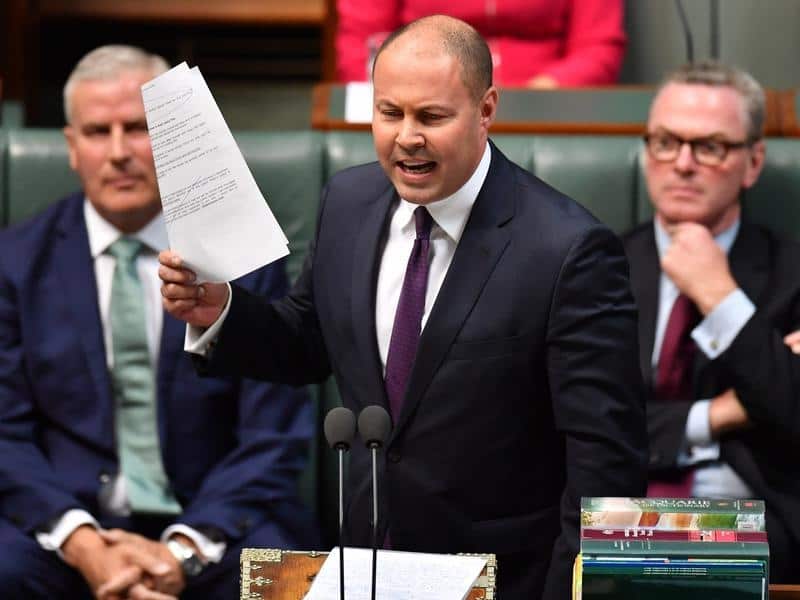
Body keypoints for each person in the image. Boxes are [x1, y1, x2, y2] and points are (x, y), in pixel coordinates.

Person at [160, 16, 647, 600]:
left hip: (503, 576)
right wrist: (221, 311)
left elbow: (605, 464)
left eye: (431, 117)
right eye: (389, 113)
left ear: (486, 109)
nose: (405, 137)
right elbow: (308, 340)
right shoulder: (348, 199)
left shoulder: (568, 249)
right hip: (367, 565)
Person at [0, 45, 317, 600]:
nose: (119, 152)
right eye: (98, 132)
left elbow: (274, 435)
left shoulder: (241, 260)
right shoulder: (15, 264)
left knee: (290, 580)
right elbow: (5, 434)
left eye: (140, 129)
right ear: (72, 148)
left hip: (216, 524)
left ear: (174, 142)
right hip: (64, 528)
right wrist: (84, 544)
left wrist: (181, 553)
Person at [625, 61, 800, 581]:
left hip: (757, 525)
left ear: (752, 162)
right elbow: (583, 422)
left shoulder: (794, 272)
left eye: (710, 147)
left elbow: (795, 413)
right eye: (665, 142)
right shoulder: (594, 265)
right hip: (615, 517)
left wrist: (719, 296)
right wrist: (718, 415)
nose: (682, 163)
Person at [335, 0, 626, 87]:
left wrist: (539, 95)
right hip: (423, 106)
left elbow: (598, 47)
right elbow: (361, 42)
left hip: (545, 113)